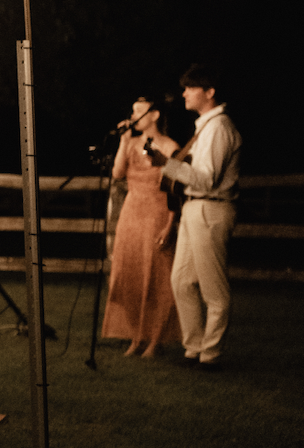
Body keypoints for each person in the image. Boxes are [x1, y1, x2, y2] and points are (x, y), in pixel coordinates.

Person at [143, 65, 242, 369]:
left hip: (211, 207)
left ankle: (210, 355)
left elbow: (206, 179)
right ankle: (194, 348)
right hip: (194, 207)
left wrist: (164, 164)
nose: (184, 92)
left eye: (191, 87)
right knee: (182, 281)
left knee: (214, 289)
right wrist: (168, 165)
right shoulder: (205, 127)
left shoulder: (219, 127)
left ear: (209, 92)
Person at [100, 96, 182, 357]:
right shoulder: (131, 142)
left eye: (139, 111)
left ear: (154, 115)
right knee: (129, 273)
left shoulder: (170, 147)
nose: (133, 116)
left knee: (157, 277)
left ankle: (155, 339)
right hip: (131, 212)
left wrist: (170, 225)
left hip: (157, 212)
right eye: (132, 111)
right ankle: (135, 336)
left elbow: (175, 191)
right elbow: (117, 173)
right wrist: (124, 140)